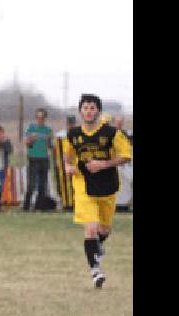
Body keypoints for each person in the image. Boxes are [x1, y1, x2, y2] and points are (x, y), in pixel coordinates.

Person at [62, 94, 133, 288]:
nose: (89, 111)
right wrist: (68, 167)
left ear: (98, 111)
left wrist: (104, 164)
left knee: (104, 229)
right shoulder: (73, 134)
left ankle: (97, 247)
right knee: (91, 229)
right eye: (85, 108)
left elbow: (126, 156)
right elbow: (67, 156)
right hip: (83, 184)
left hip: (107, 186)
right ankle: (95, 271)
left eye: (92, 108)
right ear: (80, 111)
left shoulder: (111, 133)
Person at [23, 108, 54, 211]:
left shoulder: (48, 130)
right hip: (33, 158)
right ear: (36, 117)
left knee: (43, 184)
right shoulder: (31, 128)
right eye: (38, 117)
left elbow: (51, 146)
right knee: (31, 184)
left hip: (44, 159)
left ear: (45, 118)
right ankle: (26, 207)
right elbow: (27, 143)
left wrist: (50, 140)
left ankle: (39, 207)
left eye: (42, 117)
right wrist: (31, 139)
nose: (40, 119)